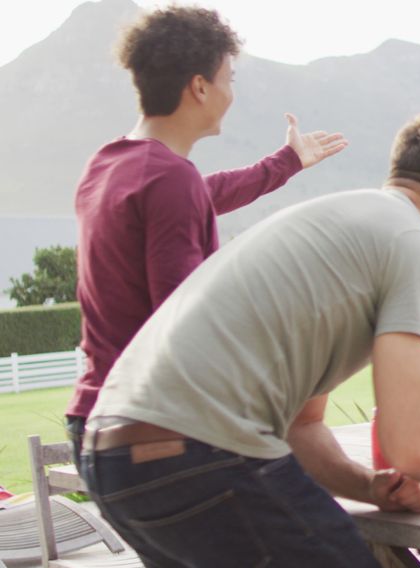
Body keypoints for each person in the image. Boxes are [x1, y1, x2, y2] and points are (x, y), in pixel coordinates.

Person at [81, 113, 420, 568]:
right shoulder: (414, 244)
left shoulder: (337, 226)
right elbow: (414, 444)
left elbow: (301, 428)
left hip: (114, 460)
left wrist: (369, 487)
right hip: (200, 450)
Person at [65, 5, 347, 460]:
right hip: (154, 431)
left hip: (96, 421)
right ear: (199, 86)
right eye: (228, 78)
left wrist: (286, 162)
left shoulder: (109, 166)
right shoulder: (169, 178)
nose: (231, 93)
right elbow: (183, 323)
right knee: (321, 532)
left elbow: (200, 193)